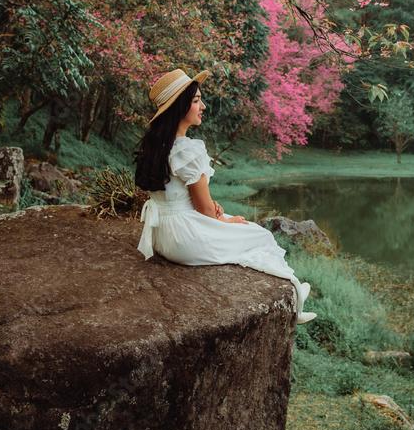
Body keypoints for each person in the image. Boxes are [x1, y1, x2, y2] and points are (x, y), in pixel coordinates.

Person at [133, 68, 316, 325]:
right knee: (259, 234)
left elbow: (188, 200)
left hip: (163, 235)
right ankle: (294, 301)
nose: (203, 106)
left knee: (238, 226)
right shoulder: (187, 149)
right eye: (196, 100)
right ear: (180, 107)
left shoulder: (159, 145)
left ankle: (296, 292)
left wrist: (215, 212)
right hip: (184, 238)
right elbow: (205, 210)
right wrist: (225, 221)